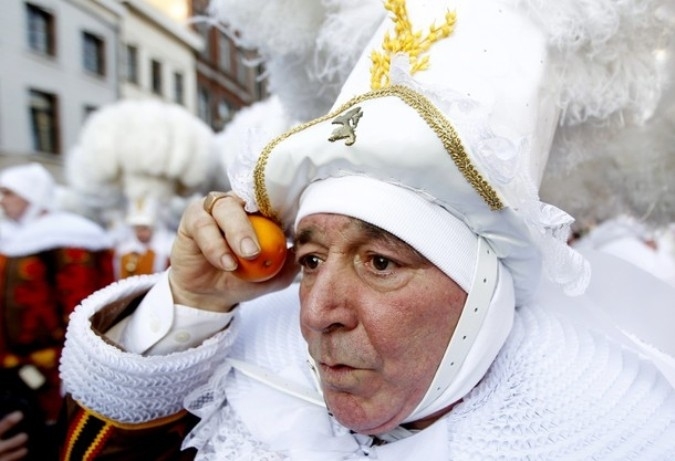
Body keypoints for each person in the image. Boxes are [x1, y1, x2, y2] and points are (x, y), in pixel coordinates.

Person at [58, 0, 675, 459]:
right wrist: (191, 304)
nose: (317, 314)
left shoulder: (613, 432)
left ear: (485, 292)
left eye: (380, 261)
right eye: (311, 260)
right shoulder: (249, 383)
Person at [0, 162, 115, 459]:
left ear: (31, 194)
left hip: (58, 364)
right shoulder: (19, 236)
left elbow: (83, 306)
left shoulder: (69, 235)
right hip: (17, 367)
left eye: (9, 193)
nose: (3, 200)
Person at [113, 197, 174, 279]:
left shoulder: (164, 252)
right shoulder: (124, 252)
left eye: (144, 229)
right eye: (137, 229)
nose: (141, 233)